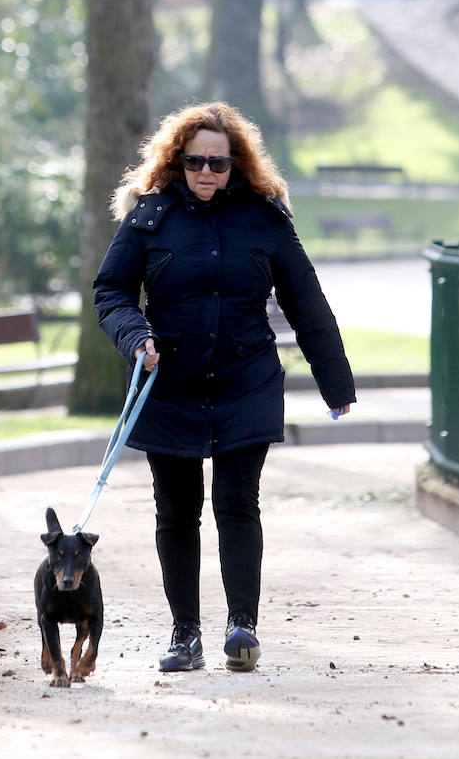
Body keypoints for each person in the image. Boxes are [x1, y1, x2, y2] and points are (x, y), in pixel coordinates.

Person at [93, 101, 355, 674]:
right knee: (176, 511)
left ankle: (242, 628)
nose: (206, 173)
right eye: (195, 162)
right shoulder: (149, 218)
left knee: (237, 503)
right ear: (177, 161)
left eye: (218, 162)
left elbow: (306, 303)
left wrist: (335, 382)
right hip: (168, 383)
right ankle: (184, 634)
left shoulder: (265, 219)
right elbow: (110, 292)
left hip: (246, 380)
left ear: (237, 163)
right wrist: (136, 336)